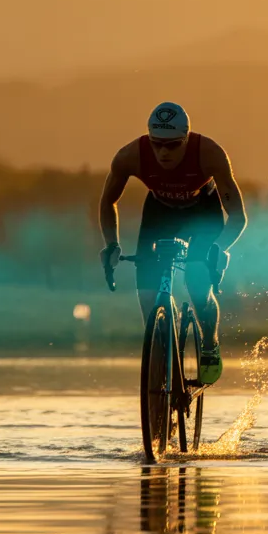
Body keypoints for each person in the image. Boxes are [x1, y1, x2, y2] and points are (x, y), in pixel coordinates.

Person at [98, 102, 247, 384]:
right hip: (159, 212)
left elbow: (238, 217)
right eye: (156, 145)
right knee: (146, 297)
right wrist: (112, 244)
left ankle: (209, 344)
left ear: (187, 139)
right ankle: (160, 379)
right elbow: (108, 201)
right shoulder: (130, 156)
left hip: (203, 213)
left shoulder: (209, 154)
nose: (163, 152)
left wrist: (219, 247)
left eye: (173, 145)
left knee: (196, 280)